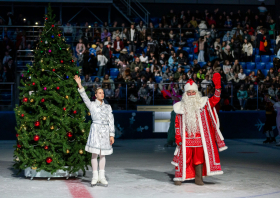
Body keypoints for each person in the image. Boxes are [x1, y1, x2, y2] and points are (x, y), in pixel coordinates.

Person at [171, 74, 227, 186]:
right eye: (189, 92)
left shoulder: (203, 103)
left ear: (197, 93)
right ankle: (179, 177)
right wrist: (178, 137)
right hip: (186, 137)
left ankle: (198, 178)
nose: (191, 94)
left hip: (200, 137)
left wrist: (218, 88)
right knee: (184, 157)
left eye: (193, 92)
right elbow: (177, 125)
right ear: (185, 94)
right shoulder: (180, 107)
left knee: (199, 158)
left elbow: (215, 99)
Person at [74, 75, 115, 187]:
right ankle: (95, 176)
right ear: (96, 95)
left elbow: (111, 120)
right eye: (100, 93)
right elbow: (84, 97)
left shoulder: (108, 107)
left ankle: (102, 177)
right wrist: (80, 84)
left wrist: (111, 134)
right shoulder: (92, 105)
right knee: (94, 154)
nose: (102, 94)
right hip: (96, 130)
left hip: (105, 131)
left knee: (103, 155)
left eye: (103, 92)